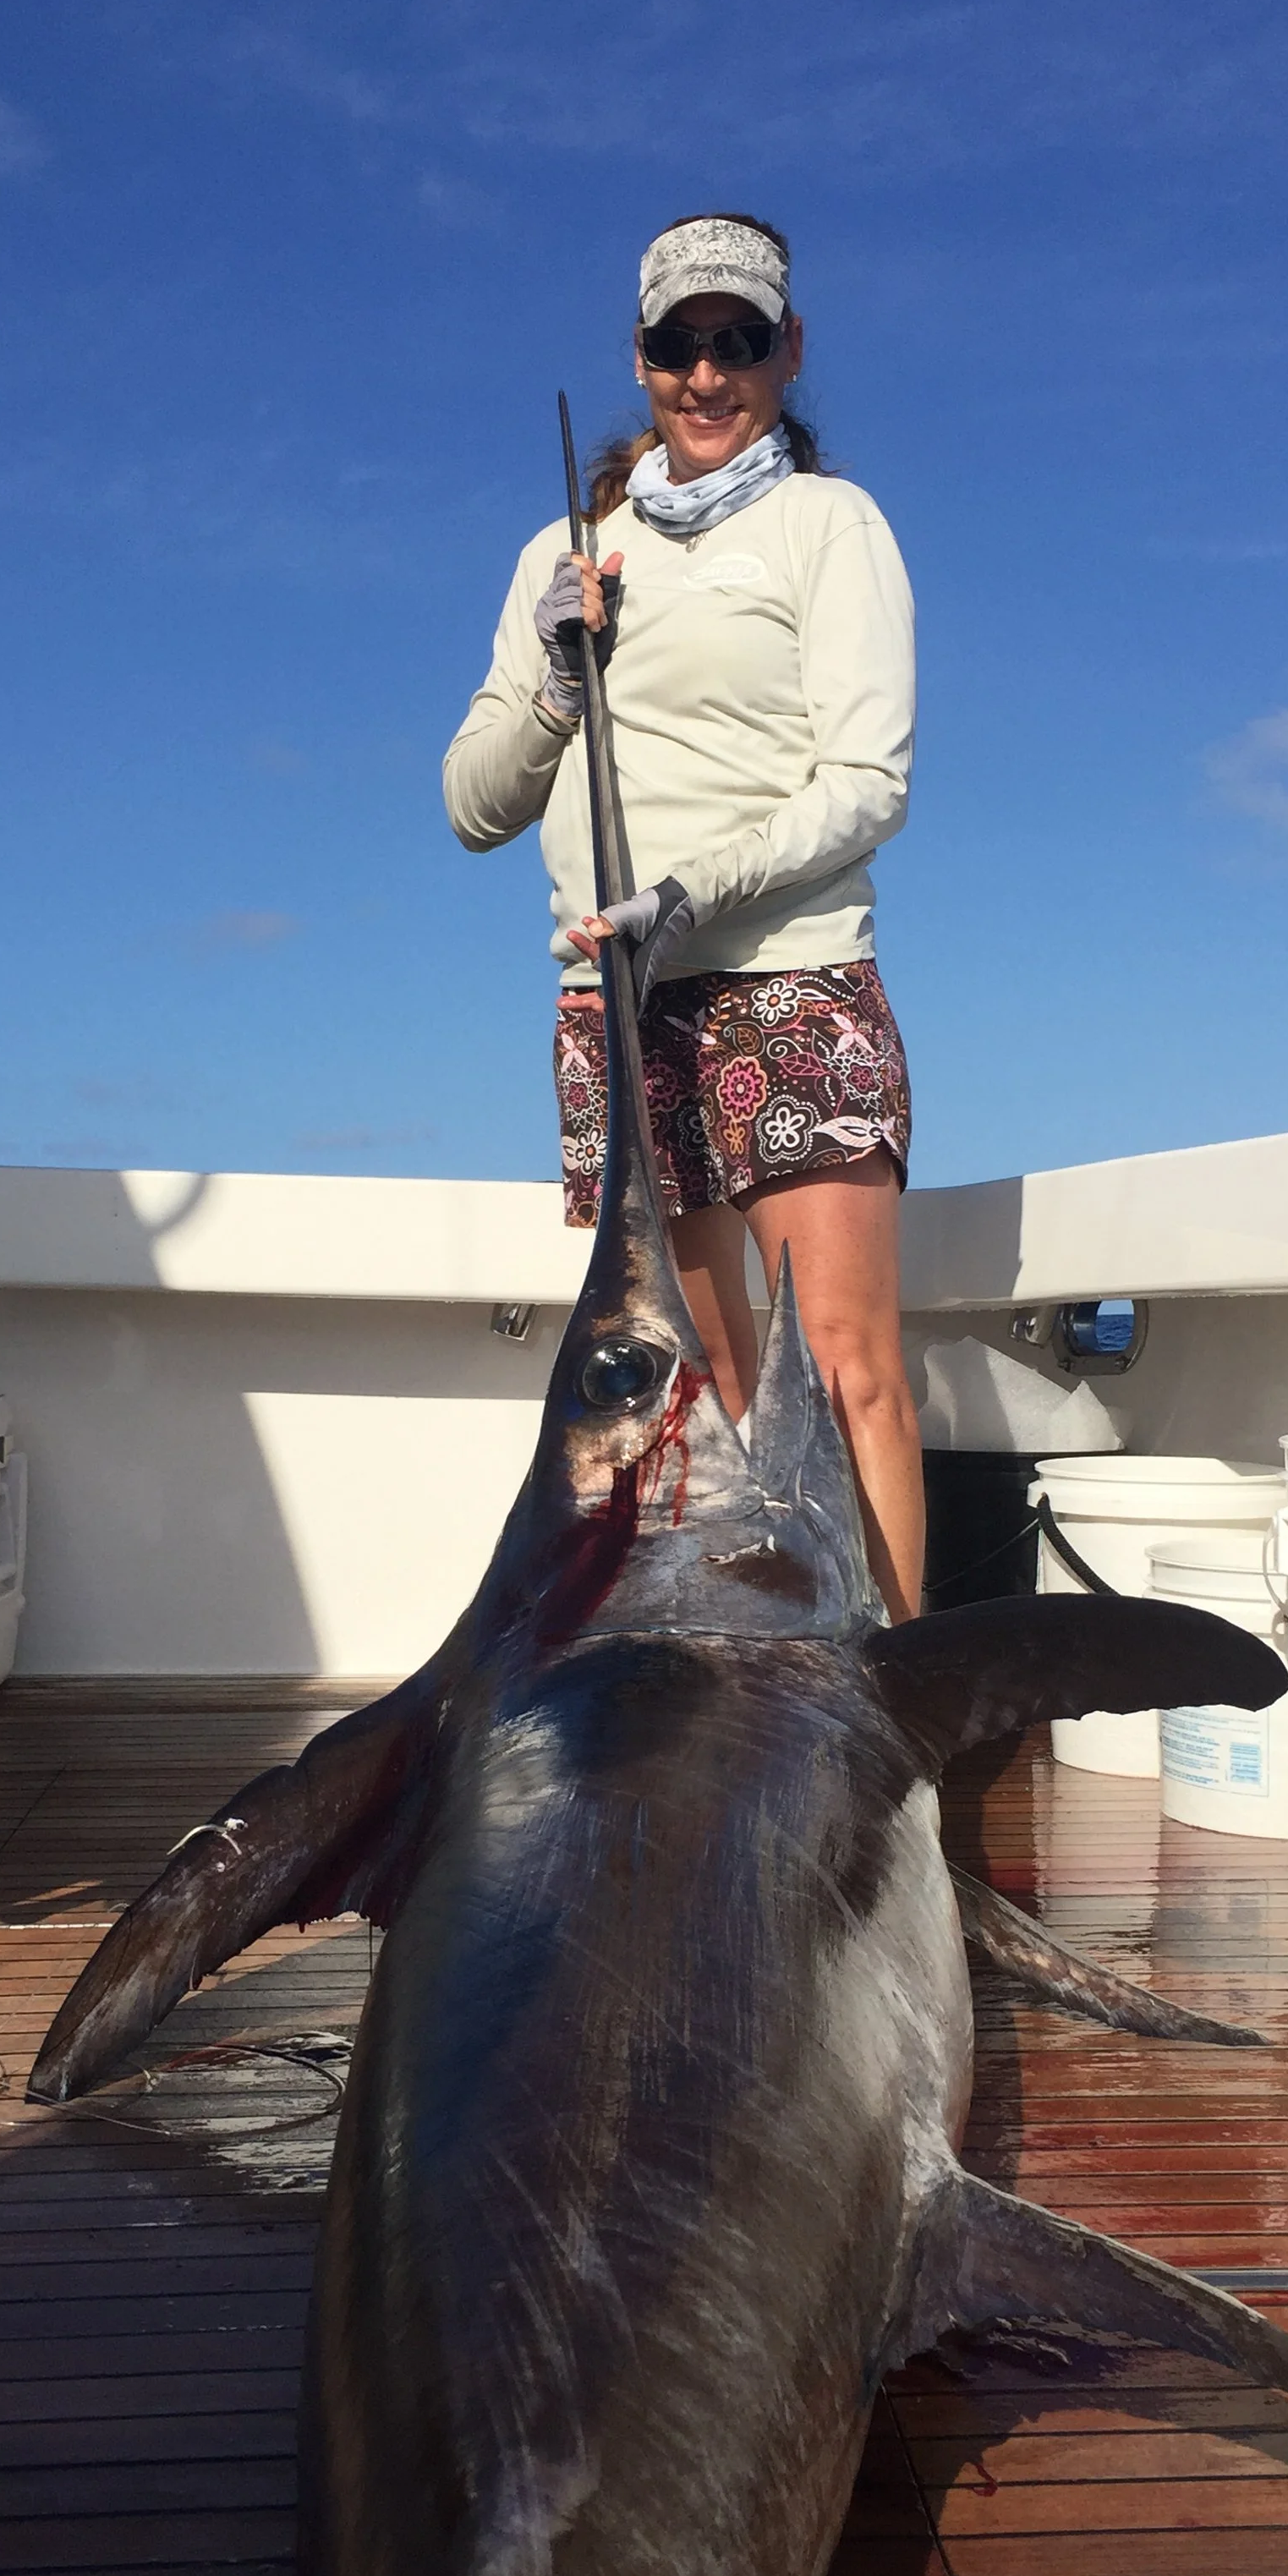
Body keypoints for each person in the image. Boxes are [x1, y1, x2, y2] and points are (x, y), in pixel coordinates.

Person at [444, 213, 924, 1618]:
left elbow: (867, 783)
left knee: (842, 1377)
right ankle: (758, 1713)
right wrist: (553, 671)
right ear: (639, 355)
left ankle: (895, 1731)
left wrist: (688, 892)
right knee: (701, 1398)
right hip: (618, 1007)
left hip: (789, 980)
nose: (707, 375)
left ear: (788, 352)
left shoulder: (827, 525)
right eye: (678, 345)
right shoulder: (565, 552)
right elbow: (473, 803)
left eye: (739, 342)